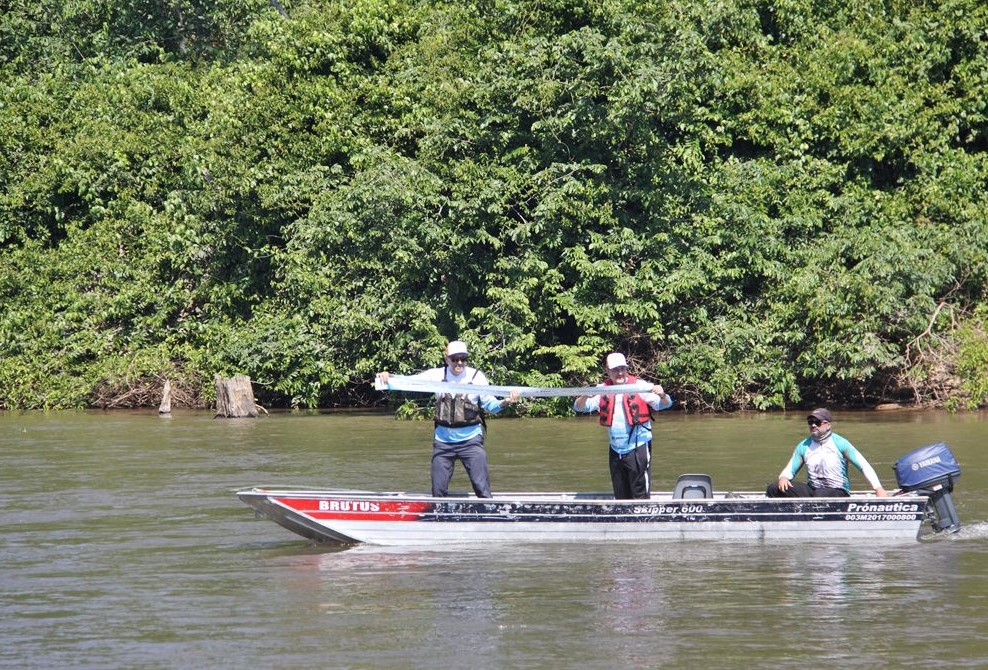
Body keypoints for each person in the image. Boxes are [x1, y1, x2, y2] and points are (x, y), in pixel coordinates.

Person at [376, 340, 520, 498]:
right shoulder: (436, 375)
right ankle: (439, 516)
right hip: (443, 442)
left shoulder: (477, 377)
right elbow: (410, 381)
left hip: (471, 441)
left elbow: (491, 406)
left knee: (482, 488)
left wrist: (506, 401)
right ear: (446, 359)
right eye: (455, 359)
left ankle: (490, 513)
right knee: (438, 491)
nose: (459, 363)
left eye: (463, 359)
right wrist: (388, 377)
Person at [573, 353, 673, 499]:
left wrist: (663, 395)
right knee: (620, 495)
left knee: (639, 493)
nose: (619, 373)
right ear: (608, 371)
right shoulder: (602, 390)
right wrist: (584, 396)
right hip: (615, 449)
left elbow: (665, 405)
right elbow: (579, 408)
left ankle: (643, 519)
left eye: (622, 369)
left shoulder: (640, 386)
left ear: (626, 369)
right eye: (615, 370)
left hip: (637, 446)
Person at [766, 408, 888, 498]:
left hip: (838, 491)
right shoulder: (803, 446)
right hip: (813, 490)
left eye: (817, 422)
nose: (813, 425)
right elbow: (790, 469)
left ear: (828, 425)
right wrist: (783, 477)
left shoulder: (841, 444)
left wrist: (878, 488)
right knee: (774, 488)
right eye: (810, 422)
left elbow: (863, 465)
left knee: (820, 495)